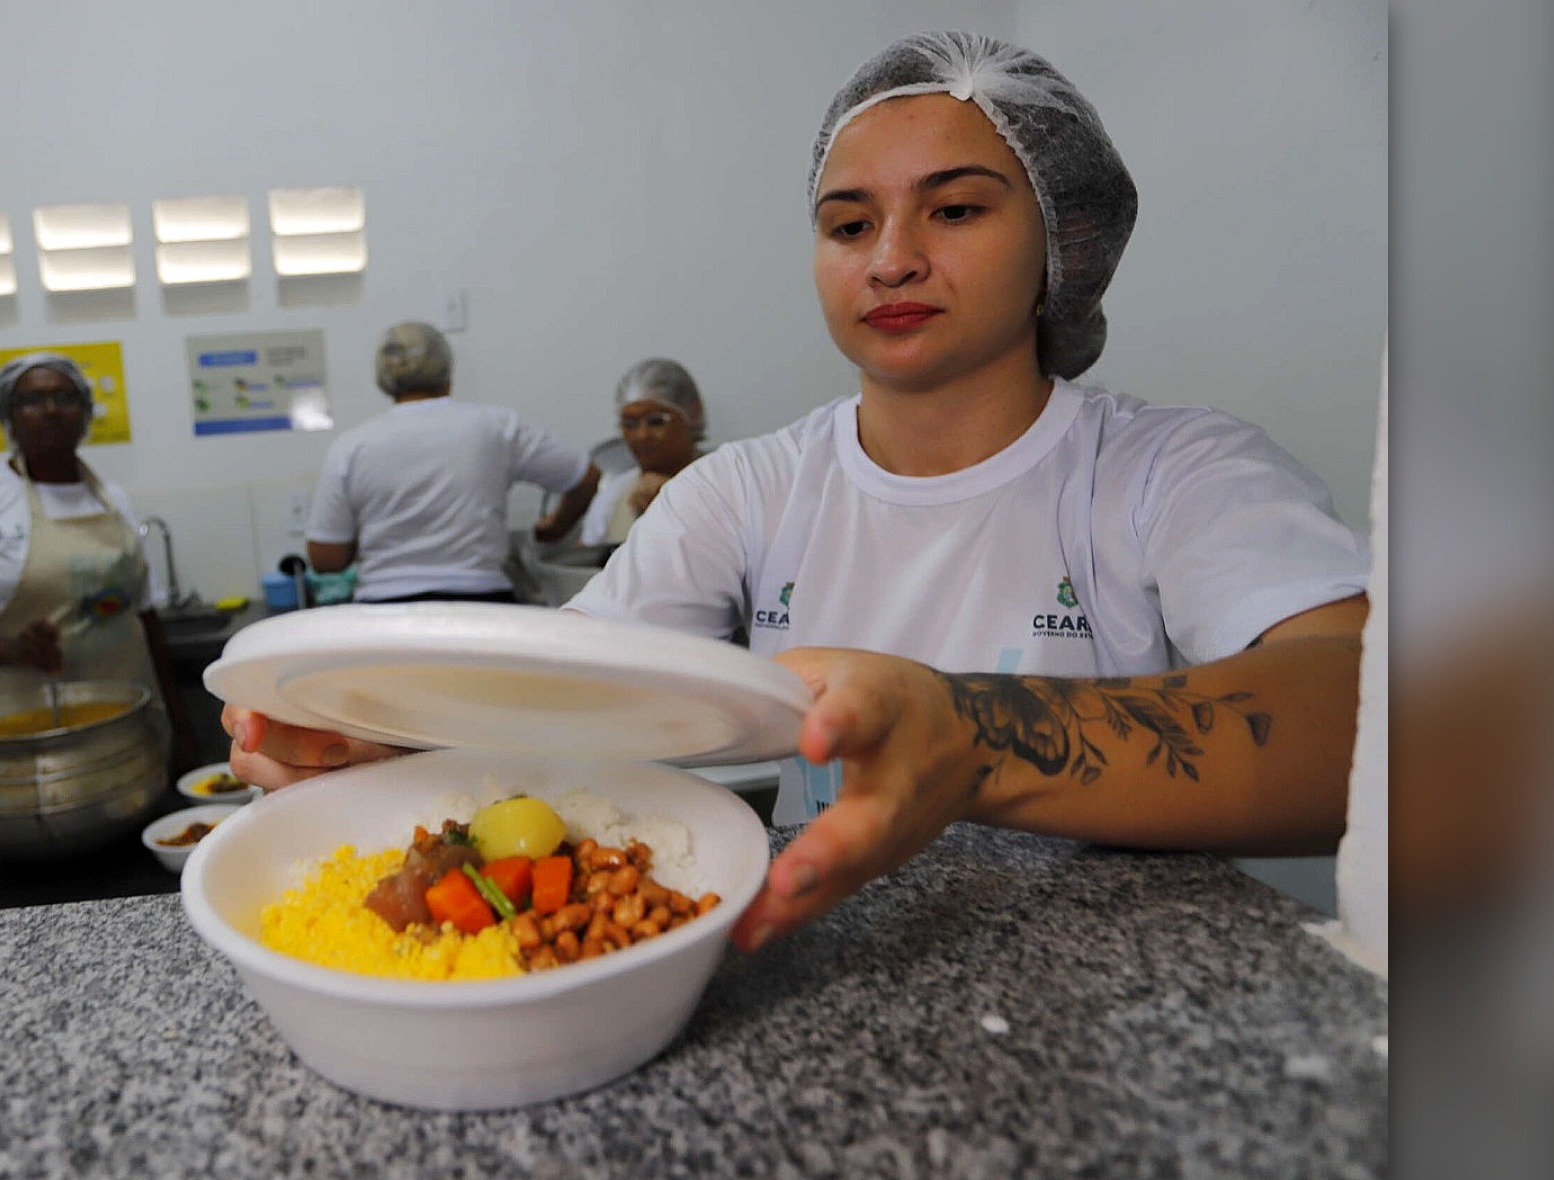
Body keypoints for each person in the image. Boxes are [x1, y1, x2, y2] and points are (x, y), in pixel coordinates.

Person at [223, 32, 1369, 957]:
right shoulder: (750, 491)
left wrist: (969, 735)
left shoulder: (1171, 473)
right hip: (815, 964)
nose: (891, 259)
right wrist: (398, 741)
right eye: (849, 223)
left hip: (1129, 995)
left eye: (957, 209)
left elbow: (1374, 720)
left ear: (1061, 245)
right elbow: (564, 694)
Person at [0, 352, 196, 773]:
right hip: (35, 745)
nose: (50, 410)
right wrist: (14, 649)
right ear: (8, 419)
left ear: (85, 415)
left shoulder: (112, 499)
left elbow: (147, 620)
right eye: (31, 400)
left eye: (65, 397)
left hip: (130, 733)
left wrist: (180, 726)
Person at [304, 321, 601, 602]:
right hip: (480, 605)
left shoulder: (351, 447)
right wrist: (555, 528)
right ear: (448, 372)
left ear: (384, 380)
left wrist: (373, 535)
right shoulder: (497, 427)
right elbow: (585, 477)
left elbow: (325, 558)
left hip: (385, 615)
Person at [578, 358, 708, 548]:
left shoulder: (723, 480)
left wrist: (676, 499)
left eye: (656, 421)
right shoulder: (614, 495)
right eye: (629, 424)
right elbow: (585, 562)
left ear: (693, 413)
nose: (641, 436)